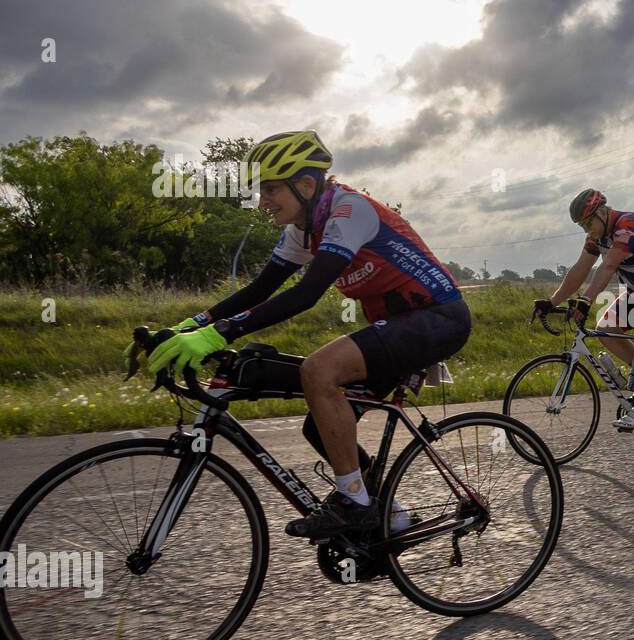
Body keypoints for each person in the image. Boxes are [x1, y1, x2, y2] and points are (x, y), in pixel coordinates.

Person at [145, 130, 470, 537]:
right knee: (321, 425)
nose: (262, 201)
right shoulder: (304, 230)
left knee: (319, 371)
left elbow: (307, 293)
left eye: (270, 189)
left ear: (305, 184)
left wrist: (218, 334)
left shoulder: (350, 211)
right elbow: (261, 289)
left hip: (439, 319)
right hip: (399, 326)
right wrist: (188, 327)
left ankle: (353, 503)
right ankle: (388, 512)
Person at [534, 188, 634, 429]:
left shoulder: (628, 225)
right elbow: (580, 269)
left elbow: (607, 267)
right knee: (607, 328)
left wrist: (586, 300)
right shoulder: (597, 237)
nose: (587, 230)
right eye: (582, 227)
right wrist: (552, 301)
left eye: (588, 224)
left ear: (603, 212)